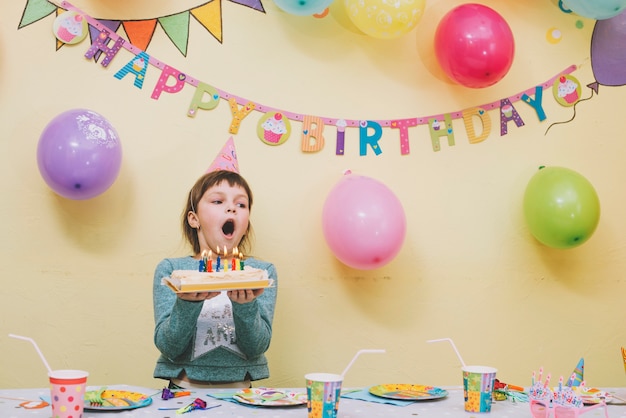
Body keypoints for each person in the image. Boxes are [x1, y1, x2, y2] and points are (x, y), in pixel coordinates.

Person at [152, 169, 278, 389]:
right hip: (183, 389)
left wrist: (246, 306)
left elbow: (257, 347)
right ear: (194, 219)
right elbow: (169, 346)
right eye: (218, 201)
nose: (231, 208)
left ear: (246, 222)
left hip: (241, 394)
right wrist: (187, 303)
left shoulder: (261, 273)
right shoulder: (172, 271)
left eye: (241, 204)